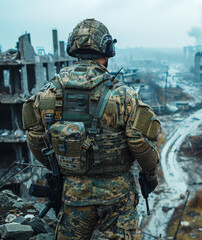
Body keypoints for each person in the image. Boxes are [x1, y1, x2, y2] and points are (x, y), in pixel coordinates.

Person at [22, 18, 160, 239]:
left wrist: (63, 167)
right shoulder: (124, 95)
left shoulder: (46, 94)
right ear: (108, 51)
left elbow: (35, 138)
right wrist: (151, 176)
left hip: (73, 193)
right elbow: (139, 142)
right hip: (117, 195)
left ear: (73, 50)